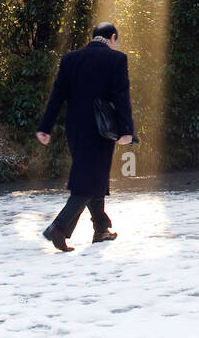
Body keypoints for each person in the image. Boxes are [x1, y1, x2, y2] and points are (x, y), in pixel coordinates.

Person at [36, 22, 135, 251]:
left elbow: (57, 96)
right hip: (101, 130)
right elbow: (121, 98)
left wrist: (45, 126)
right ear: (112, 37)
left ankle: (101, 229)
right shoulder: (116, 59)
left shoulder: (70, 59)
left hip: (75, 130)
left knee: (93, 177)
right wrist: (127, 130)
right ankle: (58, 228)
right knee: (89, 181)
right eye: (116, 41)